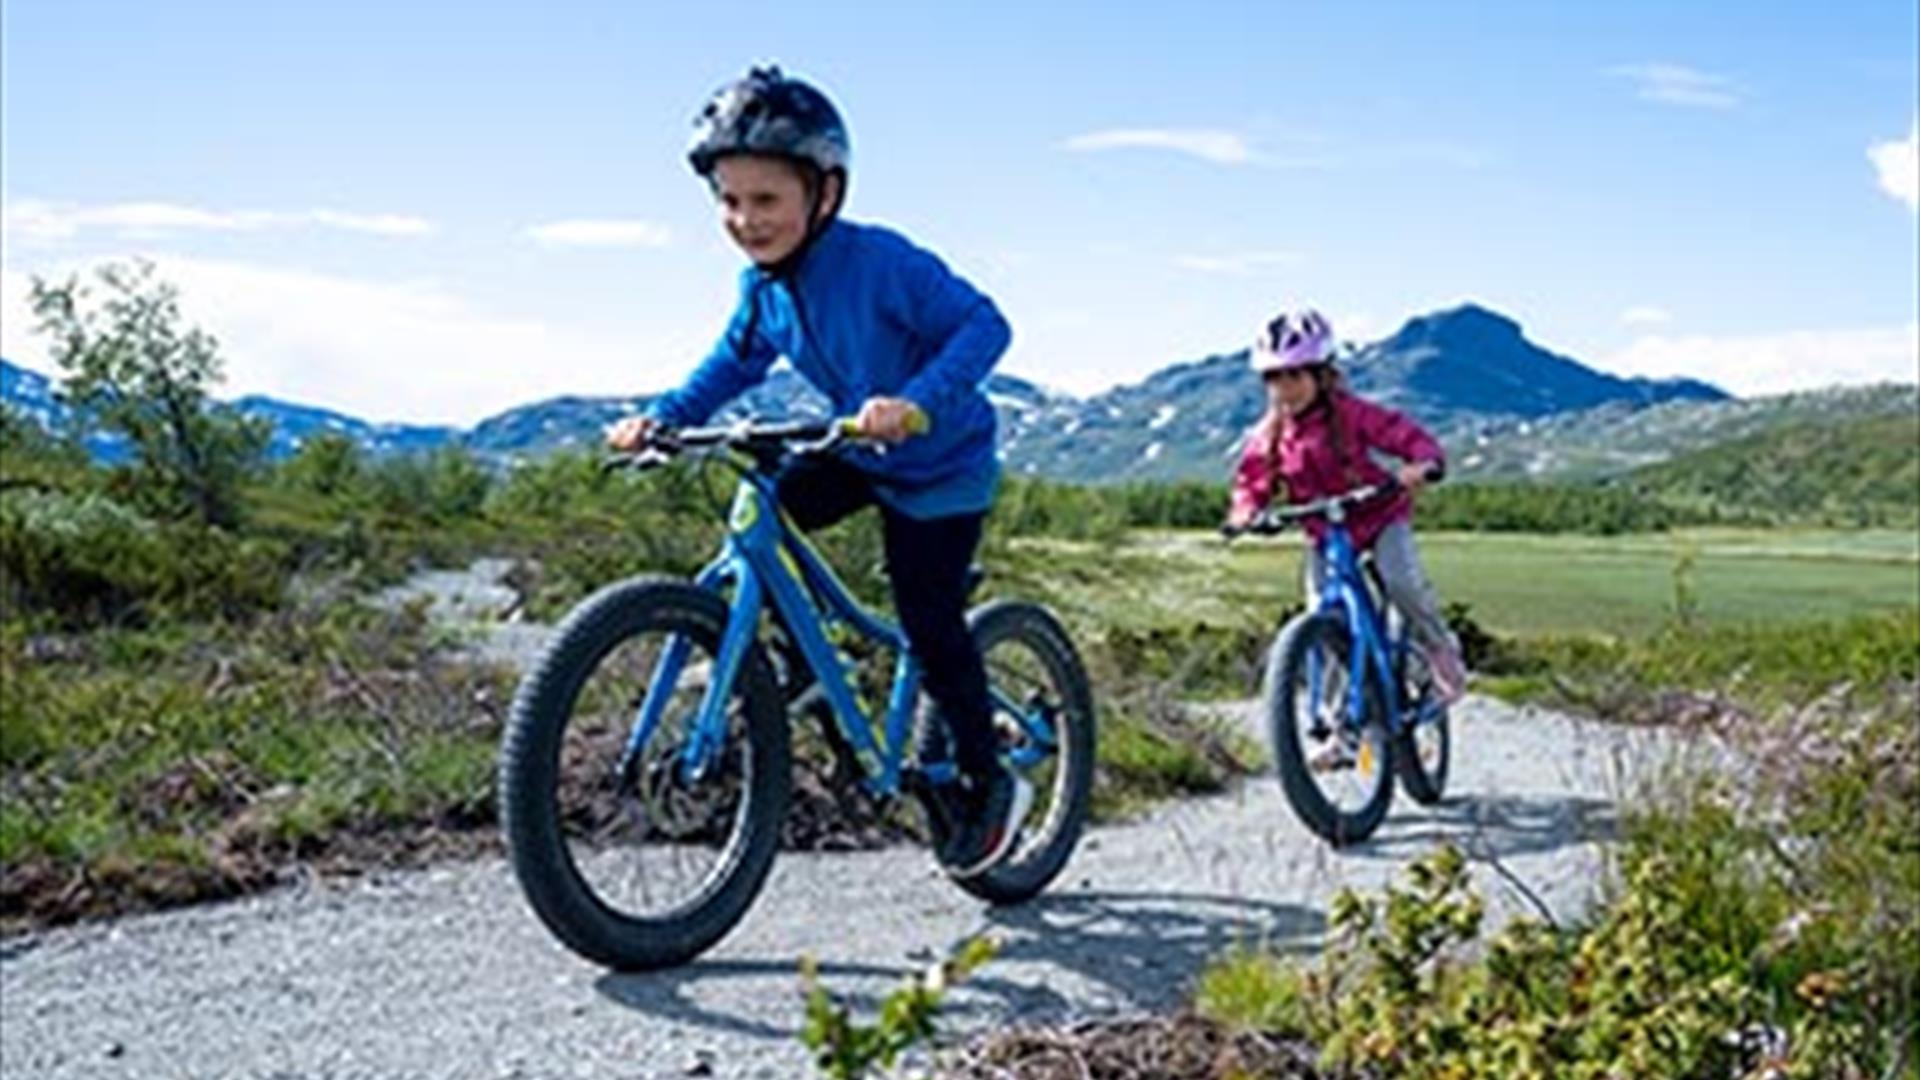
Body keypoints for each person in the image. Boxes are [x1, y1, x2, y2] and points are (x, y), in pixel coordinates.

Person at [604, 65, 1029, 877]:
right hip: (859, 451)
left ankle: (985, 775)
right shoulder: (762, 289)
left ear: (823, 194)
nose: (745, 220)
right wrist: (664, 419)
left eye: (765, 200)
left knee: (929, 623)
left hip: (941, 466)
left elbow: (984, 326)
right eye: (730, 201)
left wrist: (914, 401)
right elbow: (728, 366)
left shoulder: (879, 262)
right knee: (768, 503)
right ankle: (792, 662)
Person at [1226, 308, 1470, 707]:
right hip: (1326, 532)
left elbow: (1404, 435)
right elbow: (1252, 480)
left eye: (1295, 375)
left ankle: (1439, 648)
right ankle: (1342, 722)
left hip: (1379, 516)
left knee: (1401, 582)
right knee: (1324, 618)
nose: (1285, 387)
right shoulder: (1269, 435)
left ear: (1321, 374)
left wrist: (1422, 463)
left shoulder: (1352, 414)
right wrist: (1245, 511)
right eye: (1273, 377)